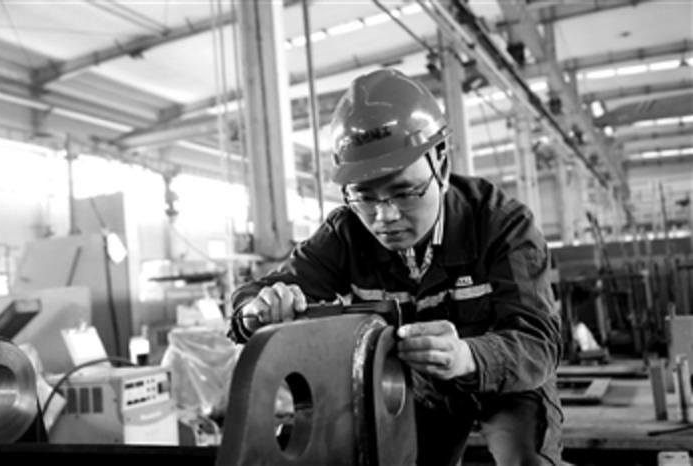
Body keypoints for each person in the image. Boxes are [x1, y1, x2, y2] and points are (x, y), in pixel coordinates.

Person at [229, 68, 563, 465]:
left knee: (523, 461)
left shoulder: (500, 223)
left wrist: (466, 356)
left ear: (441, 163)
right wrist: (256, 311)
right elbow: (258, 293)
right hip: (420, 387)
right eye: (365, 197)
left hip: (507, 380)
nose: (384, 216)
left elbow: (538, 341)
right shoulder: (346, 233)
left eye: (404, 192)